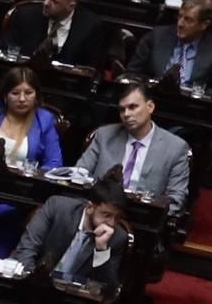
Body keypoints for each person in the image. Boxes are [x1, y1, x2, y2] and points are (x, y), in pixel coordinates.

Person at [30, 83, 191, 290]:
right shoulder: (105, 135)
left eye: (133, 107)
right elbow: (80, 173)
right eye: (122, 109)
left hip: (140, 220)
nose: (126, 114)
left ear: (150, 107)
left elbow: (176, 200)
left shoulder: (175, 147)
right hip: (98, 213)